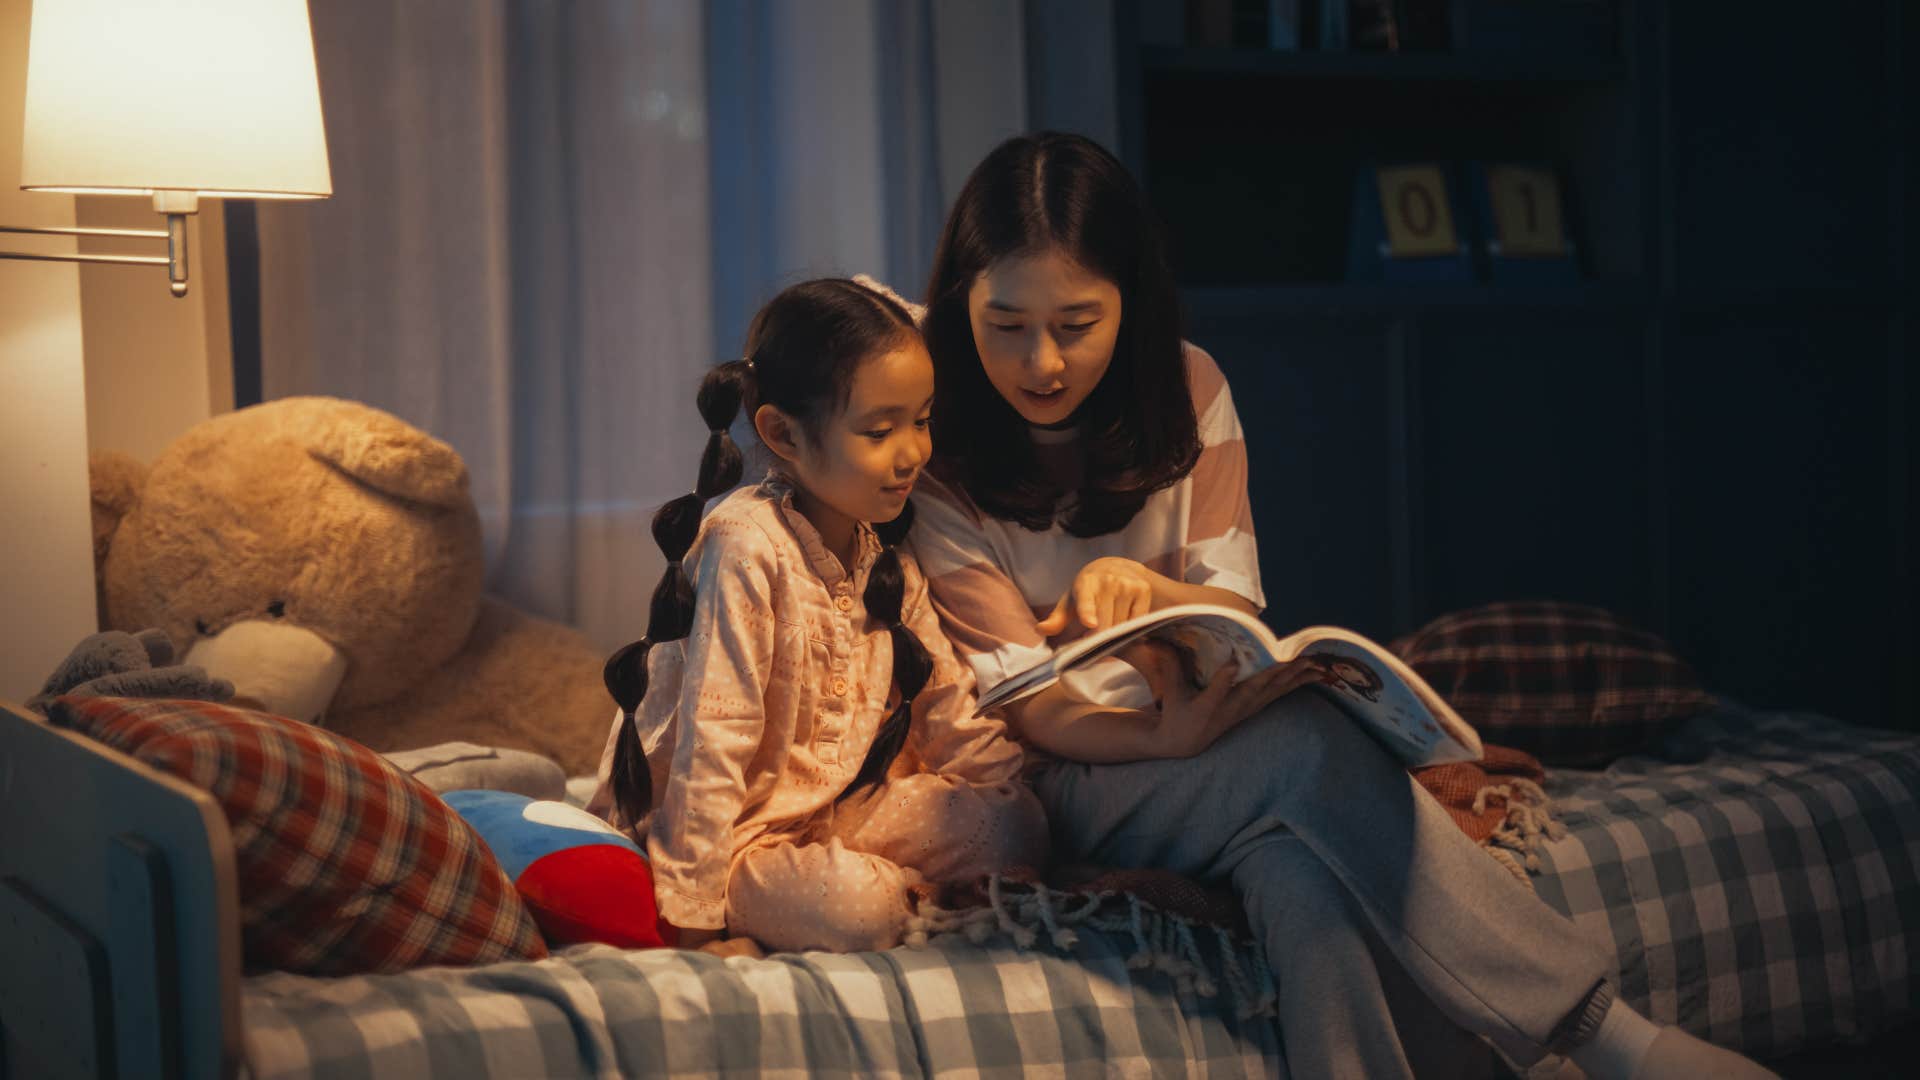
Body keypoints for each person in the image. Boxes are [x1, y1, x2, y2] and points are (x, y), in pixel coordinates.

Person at [907, 132, 1773, 1079]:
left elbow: (1227, 612)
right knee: (1307, 749)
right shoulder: (935, 450)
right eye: (1005, 325)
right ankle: (1611, 1040)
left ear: (1131, 302)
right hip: (1074, 771)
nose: (1041, 362)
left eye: (1077, 324)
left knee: (1300, 872)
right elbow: (1026, 705)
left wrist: (1158, 600)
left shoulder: (1189, 388)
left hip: (1213, 735)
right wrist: (1160, 737)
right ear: (961, 307)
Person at [586, 278, 1047, 957]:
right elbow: (714, 741)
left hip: (838, 811)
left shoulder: (885, 556)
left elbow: (948, 706)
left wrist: (1010, 796)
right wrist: (697, 926)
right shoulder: (745, 543)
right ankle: (874, 895)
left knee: (1015, 828)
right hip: (739, 837)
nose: (913, 453)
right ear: (783, 434)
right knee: (862, 911)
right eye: (879, 431)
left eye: (921, 421)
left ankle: (897, 886)